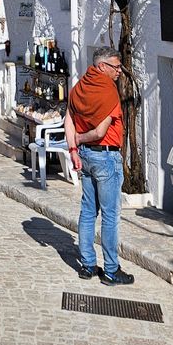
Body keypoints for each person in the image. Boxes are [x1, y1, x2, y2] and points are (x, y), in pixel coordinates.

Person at [64, 47, 135, 286]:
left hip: (85, 158)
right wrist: (81, 140)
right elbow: (99, 132)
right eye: (115, 67)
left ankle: (87, 265)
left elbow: (69, 119)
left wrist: (74, 149)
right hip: (105, 156)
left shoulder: (79, 87)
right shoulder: (107, 92)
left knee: (87, 212)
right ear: (102, 66)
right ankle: (111, 270)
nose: (119, 72)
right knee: (110, 215)